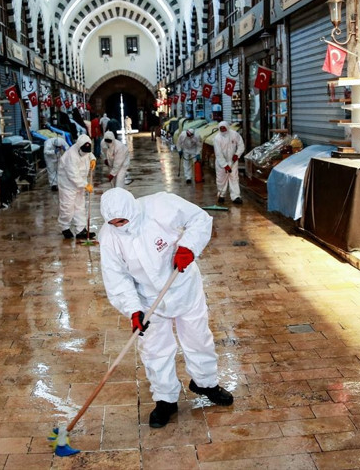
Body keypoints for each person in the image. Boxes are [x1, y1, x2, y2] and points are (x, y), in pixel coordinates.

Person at [98, 188, 233, 428]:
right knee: (155, 350)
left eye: (122, 220)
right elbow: (116, 278)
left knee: (198, 338)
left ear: (131, 210)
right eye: (113, 222)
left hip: (182, 285)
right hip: (148, 299)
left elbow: (199, 219)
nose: (118, 225)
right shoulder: (109, 237)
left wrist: (188, 247)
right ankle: (165, 400)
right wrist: (133, 310)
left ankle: (205, 383)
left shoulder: (162, 205)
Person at [57, 134, 95, 239]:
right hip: (68, 185)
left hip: (81, 183)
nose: (85, 153)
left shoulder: (85, 149)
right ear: (78, 147)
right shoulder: (71, 156)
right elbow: (73, 175)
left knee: (80, 206)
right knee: (67, 207)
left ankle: (81, 229)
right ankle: (65, 227)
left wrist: (93, 159)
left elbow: (89, 153)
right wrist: (85, 185)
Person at [212, 121, 245, 205]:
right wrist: (225, 165)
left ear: (227, 127)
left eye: (224, 128)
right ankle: (221, 195)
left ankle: (236, 196)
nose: (223, 129)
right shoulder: (217, 138)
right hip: (221, 163)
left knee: (234, 177)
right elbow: (218, 154)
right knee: (221, 179)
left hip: (233, 160)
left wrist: (237, 154)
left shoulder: (234, 134)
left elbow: (241, 145)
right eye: (221, 128)